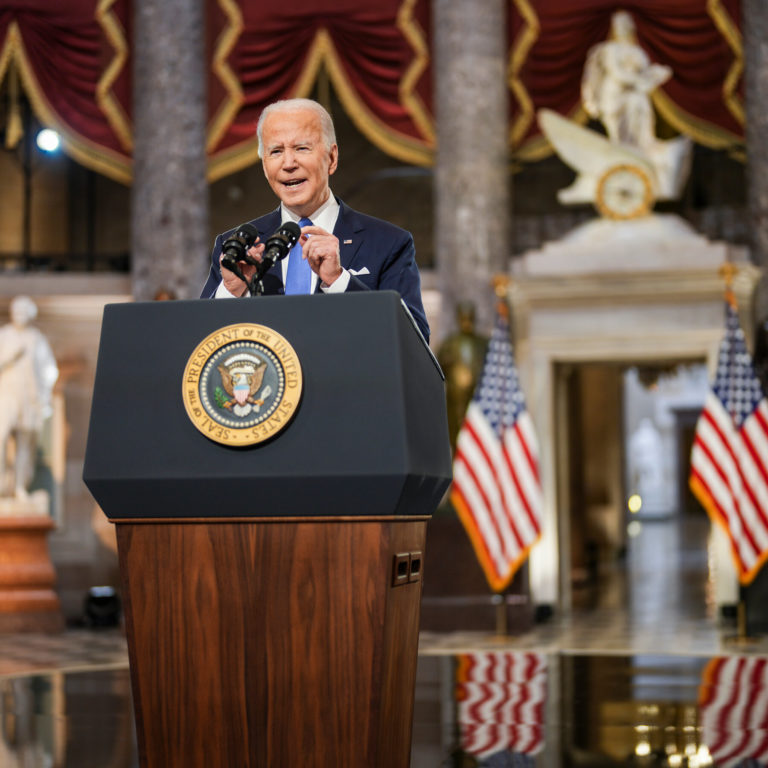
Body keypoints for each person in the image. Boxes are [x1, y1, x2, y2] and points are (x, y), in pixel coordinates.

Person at [200, 98, 430, 342]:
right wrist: (231, 292)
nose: (288, 164)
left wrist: (339, 281)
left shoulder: (389, 243)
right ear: (265, 167)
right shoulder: (235, 248)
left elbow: (415, 342)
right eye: (276, 151)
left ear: (331, 159)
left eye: (301, 148)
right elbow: (198, 344)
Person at [0, 296, 58, 499]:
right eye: (16, 312)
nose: (19, 316)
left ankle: (19, 487)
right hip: (6, 394)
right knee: (1, 435)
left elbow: (50, 369)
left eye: (24, 312)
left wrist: (43, 392)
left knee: (25, 443)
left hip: (28, 396)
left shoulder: (36, 338)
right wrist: (10, 357)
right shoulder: (4, 336)